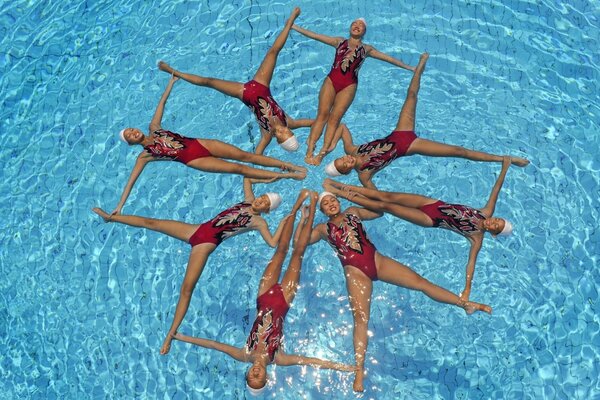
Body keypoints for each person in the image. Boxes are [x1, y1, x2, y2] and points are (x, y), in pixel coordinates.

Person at [172, 190, 355, 394]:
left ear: (248, 373)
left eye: (252, 378)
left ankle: (295, 208)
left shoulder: (244, 354)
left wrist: (179, 336)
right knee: (298, 254)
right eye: (260, 379)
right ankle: (310, 209)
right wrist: (343, 367)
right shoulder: (279, 358)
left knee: (281, 251)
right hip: (284, 300)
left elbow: (214, 345)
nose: (256, 375)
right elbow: (310, 361)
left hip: (263, 295)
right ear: (267, 377)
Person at [307, 190, 491, 392]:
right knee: (360, 319)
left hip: (377, 261)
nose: (331, 203)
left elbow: (378, 213)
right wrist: (306, 218)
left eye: (333, 199)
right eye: (325, 203)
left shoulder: (353, 212)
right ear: (322, 210)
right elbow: (301, 242)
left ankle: (464, 304)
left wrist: (361, 200)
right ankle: (359, 370)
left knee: (421, 283)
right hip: (355, 273)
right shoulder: (322, 229)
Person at [92, 177, 291, 355]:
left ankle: (171, 333)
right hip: (195, 230)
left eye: (265, 202)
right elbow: (247, 178)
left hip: (205, 245)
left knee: (186, 289)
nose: (261, 200)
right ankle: (111, 218)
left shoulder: (259, 222)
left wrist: (282, 223)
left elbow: (273, 243)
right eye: (262, 197)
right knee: (152, 223)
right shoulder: (248, 200)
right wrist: (270, 180)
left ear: (267, 210)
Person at [323, 155, 513, 301]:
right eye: (498, 220)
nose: (493, 222)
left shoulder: (476, 236)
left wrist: (467, 288)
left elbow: (471, 262)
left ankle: (343, 194)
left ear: (493, 233)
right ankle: (339, 185)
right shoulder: (486, 211)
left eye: (496, 226)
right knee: (385, 196)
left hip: (429, 218)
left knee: (386, 206)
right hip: (433, 203)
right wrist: (505, 167)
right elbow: (496, 190)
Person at [323, 53, 529, 188]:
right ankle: (505, 159)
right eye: (344, 166)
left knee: (411, 95)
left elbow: (341, 127)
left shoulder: (352, 150)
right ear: (347, 171)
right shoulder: (364, 175)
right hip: (410, 146)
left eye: (341, 160)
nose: (347, 161)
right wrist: (345, 190)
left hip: (400, 132)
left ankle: (419, 67)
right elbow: (376, 199)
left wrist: (329, 147)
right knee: (459, 152)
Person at [114, 74, 306, 216]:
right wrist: (120, 206)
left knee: (247, 156)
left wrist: (170, 84)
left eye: (131, 129)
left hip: (201, 143)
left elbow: (161, 105)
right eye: (129, 135)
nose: (133, 132)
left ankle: (291, 166)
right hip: (194, 159)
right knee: (239, 168)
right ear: (131, 143)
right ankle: (286, 175)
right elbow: (132, 181)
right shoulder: (145, 155)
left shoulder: (154, 128)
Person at [158, 8, 312, 155]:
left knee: (208, 81)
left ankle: (174, 72)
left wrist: (276, 169)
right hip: (262, 85)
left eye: (279, 135)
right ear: (291, 132)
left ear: (277, 141)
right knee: (273, 52)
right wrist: (315, 142)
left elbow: (258, 155)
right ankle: (290, 21)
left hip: (243, 93)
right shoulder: (290, 122)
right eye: (286, 132)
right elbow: (317, 122)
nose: (281, 130)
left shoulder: (266, 135)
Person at [291, 17, 415, 165]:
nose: (357, 26)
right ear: (350, 27)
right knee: (322, 115)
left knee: (334, 119)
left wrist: (409, 68)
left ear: (364, 32)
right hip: (331, 81)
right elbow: (316, 36)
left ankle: (321, 154)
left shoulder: (366, 49)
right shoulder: (339, 42)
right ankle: (310, 150)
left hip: (349, 86)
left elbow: (387, 58)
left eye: (361, 25)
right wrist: (294, 27)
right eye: (355, 23)